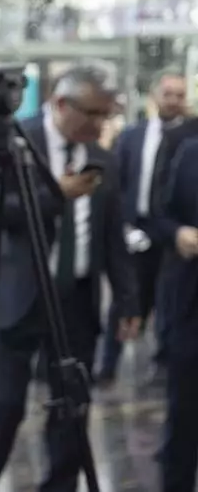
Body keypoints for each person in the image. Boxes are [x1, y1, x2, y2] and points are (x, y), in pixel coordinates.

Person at [0, 64, 141, 492]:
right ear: (62, 104)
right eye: (93, 114)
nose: (101, 124)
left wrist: (128, 299)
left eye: (106, 116)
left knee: (71, 407)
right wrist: (54, 195)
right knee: (3, 407)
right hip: (18, 295)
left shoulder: (103, 156)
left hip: (77, 300)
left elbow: (112, 236)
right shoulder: (16, 140)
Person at [95, 69, 186, 385]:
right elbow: (114, 183)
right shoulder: (133, 135)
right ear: (155, 96)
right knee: (126, 299)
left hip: (175, 235)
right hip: (135, 231)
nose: (173, 101)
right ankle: (107, 366)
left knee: (170, 302)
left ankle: (164, 366)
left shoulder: (192, 137)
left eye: (180, 95)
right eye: (168, 94)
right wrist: (122, 225)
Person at [157, 138, 198, 492]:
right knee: (183, 421)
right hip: (190, 311)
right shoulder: (189, 153)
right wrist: (177, 232)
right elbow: (160, 213)